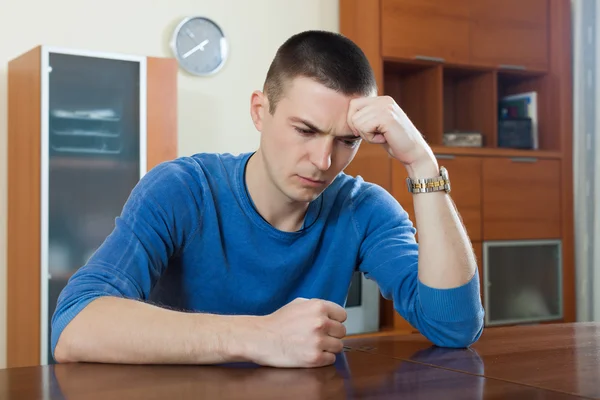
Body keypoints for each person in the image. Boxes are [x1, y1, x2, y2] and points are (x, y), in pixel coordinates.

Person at [52, 30, 484, 368]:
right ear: (260, 111)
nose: (322, 160)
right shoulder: (182, 189)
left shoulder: (363, 208)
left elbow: (454, 325)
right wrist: (260, 337)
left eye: (347, 141)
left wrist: (422, 165)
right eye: (306, 130)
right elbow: (74, 326)